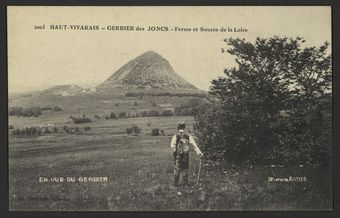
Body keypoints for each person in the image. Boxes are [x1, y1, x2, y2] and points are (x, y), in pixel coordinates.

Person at [170, 121, 203, 187]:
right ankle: (185, 185)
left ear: (178, 127)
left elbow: (172, 145)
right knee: (185, 169)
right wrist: (199, 153)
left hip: (178, 155)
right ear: (184, 127)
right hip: (185, 155)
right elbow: (194, 145)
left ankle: (175, 185)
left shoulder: (175, 136)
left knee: (177, 169)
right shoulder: (188, 136)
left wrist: (175, 149)